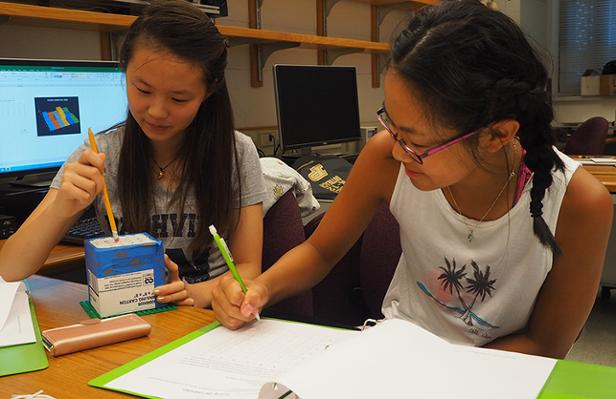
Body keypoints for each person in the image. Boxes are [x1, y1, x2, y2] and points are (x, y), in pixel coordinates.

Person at [212, 0, 612, 359]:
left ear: (498, 135)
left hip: (501, 375)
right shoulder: (385, 156)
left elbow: (546, 345)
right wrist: (262, 288)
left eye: (415, 142)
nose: (399, 151)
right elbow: (320, 252)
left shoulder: (579, 203)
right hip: (395, 357)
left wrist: (437, 376)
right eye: (392, 124)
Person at [0, 0, 266, 308]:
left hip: (206, 318)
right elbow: (8, 270)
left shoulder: (236, 152)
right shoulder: (99, 153)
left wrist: (195, 293)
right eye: (142, 90)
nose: (156, 111)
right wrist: (62, 206)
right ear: (124, 71)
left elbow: (247, 268)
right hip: (129, 319)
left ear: (208, 92)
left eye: (179, 98)